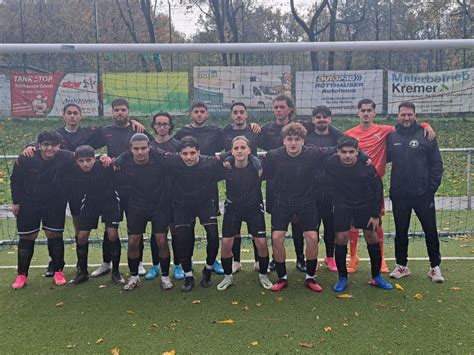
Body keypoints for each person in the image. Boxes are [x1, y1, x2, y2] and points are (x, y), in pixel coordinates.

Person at [22, 103, 144, 277]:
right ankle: (59, 263)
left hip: (94, 186)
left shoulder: (90, 133)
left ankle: (105, 264)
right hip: (66, 186)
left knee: (105, 228)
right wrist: (30, 144)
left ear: (80, 116)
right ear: (63, 115)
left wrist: (132, 123)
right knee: (68, 227)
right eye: (69, 113)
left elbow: (116, 128)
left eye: (75, 113)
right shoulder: (57, 135)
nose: (72, 116)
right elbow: (44, 141)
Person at [344, 98, 435, 273]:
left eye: (369, 110)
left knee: (376, 222)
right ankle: (353, 257)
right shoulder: (349, 134)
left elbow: (407, 126)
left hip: (374, 186)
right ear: (358, 113)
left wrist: (425, 124)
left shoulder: (385, 131)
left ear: (374, 113)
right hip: (353, 185)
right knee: (352, 223)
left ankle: (382, 258)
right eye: (362, 110)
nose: (366, 113)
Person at [90, 98, 153, 279]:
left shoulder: (138, 130)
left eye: (123, 110)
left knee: (136, 226)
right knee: (110, 227)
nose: (120, 113)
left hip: (134, 187)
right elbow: (86, 146)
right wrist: (101, 156)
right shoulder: (106, 131)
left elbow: (153, 145)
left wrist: (123, 158)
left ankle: (139, 261)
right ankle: (106, 262)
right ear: (112, 112)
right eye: (116, 110)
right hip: (112, 187)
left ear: (128, 111)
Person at [263, 122, 328, 292]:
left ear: (303, 141)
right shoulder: (273, 155)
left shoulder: (312, 153)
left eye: (297, 139)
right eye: (289, 139)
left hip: (306, 201)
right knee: (277, 237)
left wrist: (363, 156)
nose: (293, 143)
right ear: (283, 141)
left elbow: (337, 149)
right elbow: (264, 174)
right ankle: (282, 278)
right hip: (282, 202)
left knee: (313, 238)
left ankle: (310, 277)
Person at [387, 102, 444, 282]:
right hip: (399, 195)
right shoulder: (391, 136)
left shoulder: (426, 134)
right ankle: (401, 265)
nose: (406, 118)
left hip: (422, 194)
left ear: (415, 115)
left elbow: (437, 165)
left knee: (430, 230)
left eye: (409, 115)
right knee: (400, 231)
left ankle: (435, 267)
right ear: (398, 116)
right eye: (403, 115)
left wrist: (430, 189)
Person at [11, 130, 75, 289]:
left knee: (54, 235)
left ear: (59, 146)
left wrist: (102, 157)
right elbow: (15, 180)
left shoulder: (66, 156)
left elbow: (83, 156)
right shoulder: (26, 158)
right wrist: (16, 202)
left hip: (55, 202)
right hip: (28, 203)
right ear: (39, 145)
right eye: (46, 145)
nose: (50, 148)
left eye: (54, 145)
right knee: (27, 237)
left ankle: (58, 271)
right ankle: (21, 275)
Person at [327, 136, 393, 292]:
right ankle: (342, 277)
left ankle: (376, 277)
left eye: (351, 152)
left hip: (364, 204)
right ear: (338, 152)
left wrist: (375, 214)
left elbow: (378, 188)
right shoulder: (331, 163)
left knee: (371, 236)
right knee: (341, 238)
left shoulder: (366, 165)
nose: (347, 156)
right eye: (344, 152)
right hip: (342, 205)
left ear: (357, 152)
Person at [113, 134, 172, 291]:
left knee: (161, 241)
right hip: (136, 207)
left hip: (159, 206)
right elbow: (108, 164)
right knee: (133, 242)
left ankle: (165, 277)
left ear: (149, 148)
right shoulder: (124, 162)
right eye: (136, 149)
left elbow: (175, 159)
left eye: (143, 148)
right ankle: (134, 278)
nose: (140, 152)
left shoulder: (160, 160)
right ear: (131, 149)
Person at [173, 102, 225, 274]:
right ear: (191, 114)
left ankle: (213, 261)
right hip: (184, 189)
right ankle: (183, 264)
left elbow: (233, 144)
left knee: (211, 232)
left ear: (207, 114)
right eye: (196, 112)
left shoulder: (215, 131)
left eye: (202, 112)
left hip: (207, 186)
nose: (199, 115)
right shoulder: (182, 133)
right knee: (184, 233)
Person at [216, 136, 272, 290]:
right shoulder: (226, 166)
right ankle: (228, 277)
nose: (239, 151)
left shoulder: (258, 166)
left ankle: (263, 275)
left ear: (249, 150)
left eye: (243, 148)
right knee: (227, 243)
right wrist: (227, 157)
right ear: (231, 151)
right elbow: (211, 159)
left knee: (261, 242)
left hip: (253, 208)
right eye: (236, 148)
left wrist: (255, 159)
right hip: (233, 209)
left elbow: (272, 156)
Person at [258, 95, 306, 273]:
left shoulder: (298, 128)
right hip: (274, 183)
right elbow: (252, 144)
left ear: (290, 109)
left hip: (297, 182)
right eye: (276, 107)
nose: (278, 110)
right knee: (276, 224)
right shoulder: (266, 129)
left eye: (282, 107)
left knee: (297, 222)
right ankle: (274, 259)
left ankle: (301, 258)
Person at [68, 145, 124, 285]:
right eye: (81, 161)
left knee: (112, 234)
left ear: (94, 159)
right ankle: (82, 272)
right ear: (77, 161)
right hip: (90, 203)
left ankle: (116, 272)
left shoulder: (105, 165)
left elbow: (120, 164)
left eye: (88, 160)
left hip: (110, 201)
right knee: (81, 236)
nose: (85, 164)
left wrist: (106, 158)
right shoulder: (74, 169)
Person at [145, 112, 184, 281]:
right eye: (158, 124)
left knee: (176, 232)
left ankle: (178, 265)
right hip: (156, 196)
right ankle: (155, 265)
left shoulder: (177, 145)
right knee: (157, 233)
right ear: (153, 126)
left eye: (165, 124)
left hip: (175, 195)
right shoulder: (148, 146)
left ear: (170, 126)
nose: (161, 127)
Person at [221, 102, 260, 273]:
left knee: (255, 229)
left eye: (241, 112)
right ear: (231, 115)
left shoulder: (254, 131)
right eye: (235, 112)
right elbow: (220, 153)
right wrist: (228, 159)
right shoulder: (224, 132)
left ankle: (259, 261)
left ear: (246, 114)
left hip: (252, 181)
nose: (238, 115)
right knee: (234, 229)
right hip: (233, 179)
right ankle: (236, 261)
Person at [304, 105, 344, 272]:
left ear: (330, 119)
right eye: (318, 117)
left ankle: (330, 257)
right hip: (309, 189)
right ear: (313, 119)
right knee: (311, 228)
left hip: (332, 189)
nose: (321, 120)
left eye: (325, 117)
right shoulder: (306, 136)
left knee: (330, 226)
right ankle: (310, 258)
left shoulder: (338, 137)